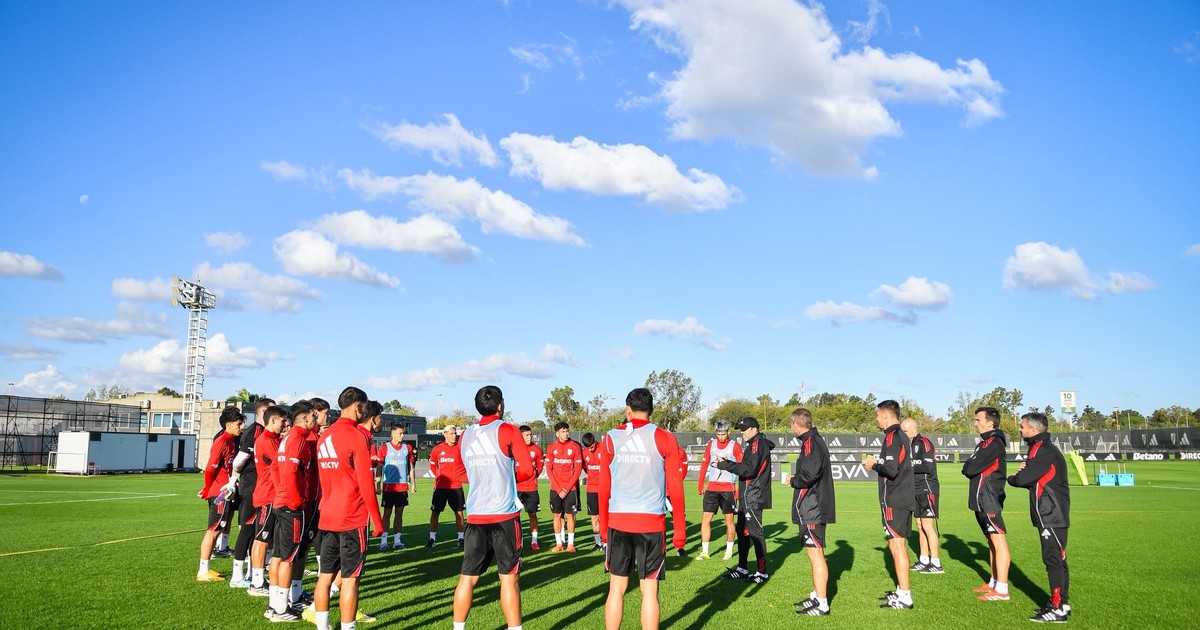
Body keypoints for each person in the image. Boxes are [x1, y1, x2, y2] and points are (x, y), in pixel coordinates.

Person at [596, 387, 686, 630]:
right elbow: (676, 489)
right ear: (651, 410)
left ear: (628, 409)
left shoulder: (610, 438)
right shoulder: (665, 438)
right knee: (649, 591)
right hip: (651, 524)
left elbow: (603, 488)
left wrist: (603, 528)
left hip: (618, 522)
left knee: (616, 589)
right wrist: (680, 532)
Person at [451, 386, 536, 630]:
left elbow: (457, 470)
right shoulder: (508, 430)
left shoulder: (466, 434)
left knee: (467, 578)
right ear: (500, 406)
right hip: (504, 515)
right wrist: (503, 477)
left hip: (476, 516)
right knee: (509, 578)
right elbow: (527, 470)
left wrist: (482, 477)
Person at [312, 387, 385, 630]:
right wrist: (377, 521)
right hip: (352, 516)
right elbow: (366, 484)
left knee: (325, 577)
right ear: (358, 407)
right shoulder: (356, 436)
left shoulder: (324, 436)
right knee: (351, 580)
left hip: (327, 515)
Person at [1008, 412, 1072, 623]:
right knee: (1057, 559)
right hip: (1050, 513)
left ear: (1033, 430)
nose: (1020, 429)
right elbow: (1034, 476)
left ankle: (1058, 608)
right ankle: (1060, 604)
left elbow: (1023, 479)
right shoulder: (1041, 448)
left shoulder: (1041, 449)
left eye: (1022, 426)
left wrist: (1013, 477)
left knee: (1053, 560)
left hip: (1051, 513)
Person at [863, 399, 917, 610]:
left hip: (896, 499)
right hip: (899, 498)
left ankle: (905, 596)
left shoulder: (893, 436)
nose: (876, 419)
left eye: (878, 415)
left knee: (898, 545)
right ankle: (901, 591)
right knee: (895, 544)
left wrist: (874, 465)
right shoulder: (898, 435)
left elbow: (892, 470)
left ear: (885, 415)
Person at [268, 400, 317, 622]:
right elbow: (288, 471)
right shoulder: (297, 438)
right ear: (305, 418)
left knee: (279, 555)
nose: (315, 419)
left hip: (282, 502)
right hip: (291, 506)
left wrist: (280, 491)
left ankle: (274, 605)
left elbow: (275, 467)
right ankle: (280, 610)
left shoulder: (288, 437)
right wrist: (296, 499)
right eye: (313, 416)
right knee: (289, 558)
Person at [785, 408, 835, 617]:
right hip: (811, 507)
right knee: (813, 553)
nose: (791, 428)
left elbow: (809, 475)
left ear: (796, 424)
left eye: (791, 424)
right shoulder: (812, 441)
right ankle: (816, 595)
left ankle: (822, 603)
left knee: (816, 554)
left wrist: (793, 480)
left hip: (813, 507)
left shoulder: (811, 443)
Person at [716, 416, 774, 584]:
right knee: (742, 533)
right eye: (740, 430)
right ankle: (742, 569)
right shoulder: (752, 445)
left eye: (744, 430)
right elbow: (746, 468)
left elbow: (749, 470)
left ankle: (762, 573)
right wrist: (728, 463)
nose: (742, 433)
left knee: (756, 534)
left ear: (754, 429)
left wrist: (726, 465)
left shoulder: (758, 445)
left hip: (753, 497)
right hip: (746, 497)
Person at [962, 406, 1011, 602]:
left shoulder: (994, 443)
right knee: (990, 541)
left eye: (978, 420)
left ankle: (1002, 589)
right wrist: (970, 465)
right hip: (980, 498)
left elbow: (970, 468)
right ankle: (994, 582)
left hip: (989, 497)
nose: (975, 423)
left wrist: (970, 465)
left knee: (998, 541)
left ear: (990, 423)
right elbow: (969, 466)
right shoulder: (984, 443)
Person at [228, 397, 275, 588]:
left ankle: (251, 573)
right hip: (251, 485)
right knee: (247, 529)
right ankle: (237, 576)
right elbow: (239, 460)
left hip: (258, 485)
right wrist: (235, 478)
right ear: (263, 412)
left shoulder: (263, 431)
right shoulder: (256, 430)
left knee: (257, 531)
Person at [196, 406, 245, 582]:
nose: (241, 427)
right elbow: (210, 469)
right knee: (213, 530)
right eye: (238, 424)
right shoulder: (222, 442)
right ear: (228, 425)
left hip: (228, 491)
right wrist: (207, 488)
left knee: (219, 528)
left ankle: (206, 568)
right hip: (220, 493)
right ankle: (203, 570)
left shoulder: (232, 441)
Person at [248, 405, 287, 598]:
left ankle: (261, 578)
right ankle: (256, 582)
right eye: (282, 421)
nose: (285, 424)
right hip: (268, 495)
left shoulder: (272, 439)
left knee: (266, 538)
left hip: (270, 494)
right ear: (272, 420)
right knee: (262, 538)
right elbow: (282, 463)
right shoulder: (267, 441)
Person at [901, 418, 943, 574]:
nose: (903, 433)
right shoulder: (907, 445)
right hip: (914, 489)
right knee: (919, 525)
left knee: (927, 525)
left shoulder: (925, 443)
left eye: (905, 431)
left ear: (914, 430)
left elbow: (928, 466)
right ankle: (924, 559)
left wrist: (908, 466)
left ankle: (936, 563)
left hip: (927, 488)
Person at [696, 420, 741, 561]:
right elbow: (704, 464)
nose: (721, 436)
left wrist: (739, 490)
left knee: (729, 520)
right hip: (712, 488)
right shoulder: (711, 444)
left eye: (723, 434)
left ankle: (729, 551)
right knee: (705, 519)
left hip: (728, 488)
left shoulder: (735, 446)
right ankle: (705, 552)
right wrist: (700, 484)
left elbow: (742, 469)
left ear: (728, 432)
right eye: (718, 434)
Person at [378, 424, 417, 551]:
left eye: (403, 433)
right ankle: (384, 541)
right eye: (400, 433)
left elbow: (411, 467)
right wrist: (378, 485)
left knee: (399, 513)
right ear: (393, 434)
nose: (402, 435)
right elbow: (379, 466)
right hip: (388, 487)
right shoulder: (385, 447)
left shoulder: (407, 448)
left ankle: (397, 541)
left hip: (402, 487)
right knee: (387, 513)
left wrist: (413, 483)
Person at [545, 421, 583, 552]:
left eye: (567, 431)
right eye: (563, 431)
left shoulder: (575, 447)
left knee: (570, 516)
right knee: (556, 515)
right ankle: (559, 544)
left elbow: (577, 470)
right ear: (557, 433)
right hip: (556, 489)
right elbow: (549, 470)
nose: (566, 433)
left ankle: (571, 544)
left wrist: (566, 488)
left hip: (570, 489)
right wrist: (558, 488)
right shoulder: (551, 448)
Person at [428, 425, 467, 548]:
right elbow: (432, 465)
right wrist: (439, 477)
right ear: (445, 434)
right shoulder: (437, 449)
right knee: (435, 512)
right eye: (451, 433)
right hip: (441, 487)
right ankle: (432, 539)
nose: (454, 436)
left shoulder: (461, 448)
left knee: (459, 512)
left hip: (456, 486)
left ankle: (461, 538)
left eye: (455, 433)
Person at [515, 425, 544, 551]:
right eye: (526, 435)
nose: (529, 437)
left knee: (532, 514)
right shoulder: (514, 449)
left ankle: (534, 541)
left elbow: (539, 468)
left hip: (531, 488)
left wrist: (531, 477)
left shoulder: (536, 450)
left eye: (530, 434)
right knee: (515, 515)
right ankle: (517, 540)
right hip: (516, 488)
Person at [581, 432, 604, 550]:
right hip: (591, 488)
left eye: (591, 447)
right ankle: (598, 543)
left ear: (595, 442)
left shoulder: (603, 449)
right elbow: (585, 468)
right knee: (594, 517)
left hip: (604, 488)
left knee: (604, 516)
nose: (590, 449)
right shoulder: (584, 453)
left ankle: (606, 543)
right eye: (587, 448)